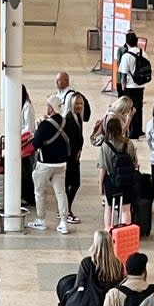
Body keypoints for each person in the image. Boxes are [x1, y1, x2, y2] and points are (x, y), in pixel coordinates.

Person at [27, 95, 73, 233]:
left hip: (45, 164)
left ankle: (41, 220)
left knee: (40, 192)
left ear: (51, 107)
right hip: (61, 164)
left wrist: (39, 127)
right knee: (61, 193)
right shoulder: (67, 123)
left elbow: (35, 144)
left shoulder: (45, 125)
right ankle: (64, 222)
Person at [98, 114, 139, 230]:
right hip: (127, 180)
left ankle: (108, 231)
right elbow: (135, 164)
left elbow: (103, 168)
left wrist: (100, 185)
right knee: (126, 209)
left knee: (109, 207)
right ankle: (124, 233)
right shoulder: (129, 143)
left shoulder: (105, 146)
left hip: (111, 181)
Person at [116, 31, 146, 138]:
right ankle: (138, 130)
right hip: (140, 86)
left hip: (130, 86)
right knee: (139, 107)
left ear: (127, 42)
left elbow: (123, 73)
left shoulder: (126, 55)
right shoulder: (143, 52)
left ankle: (132, 131)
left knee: (130, 108)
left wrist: (123, 86)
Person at [64, 90, 87, 225]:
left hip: (75, 156)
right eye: (77, 103)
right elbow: (70, 140)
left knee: (73, 183)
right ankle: (66, 211)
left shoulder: (78, 117)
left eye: (80, 103)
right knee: (71, 183)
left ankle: (65, 209)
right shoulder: (69, 119)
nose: (79, 106)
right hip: (69, 157)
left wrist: (80, 149)